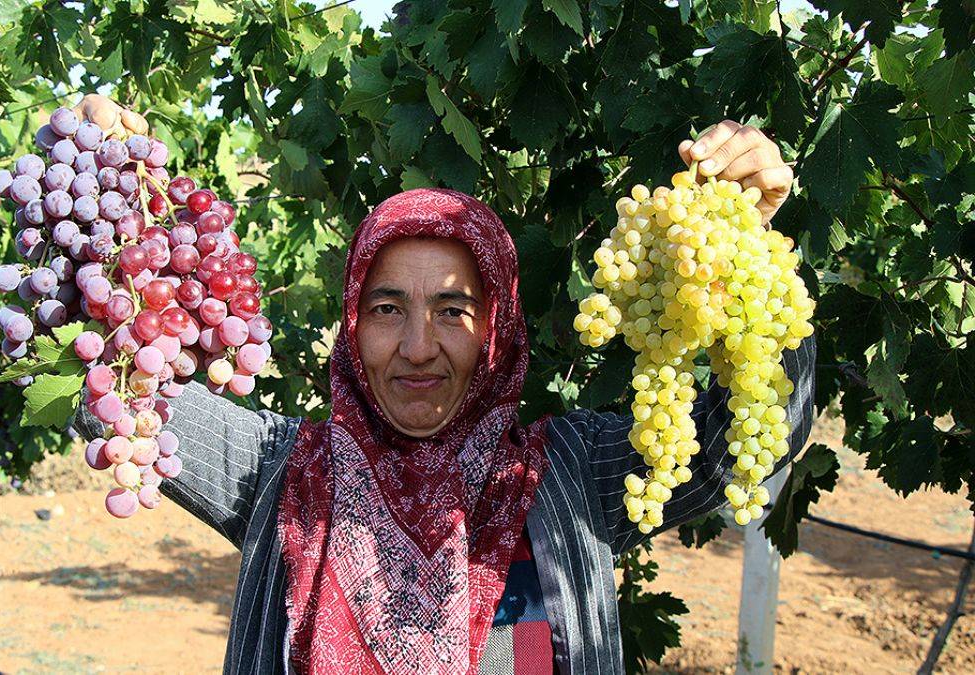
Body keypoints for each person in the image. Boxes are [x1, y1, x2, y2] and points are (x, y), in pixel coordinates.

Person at [71, 95, 816, 675]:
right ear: (351, 324)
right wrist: (99, 181)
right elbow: (114, 387)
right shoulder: (282, 470)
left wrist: (749, 246)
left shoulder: (568, 475)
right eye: (387, 307)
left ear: (497, 330)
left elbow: (744, 440)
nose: (418, 346)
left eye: (453, 309)